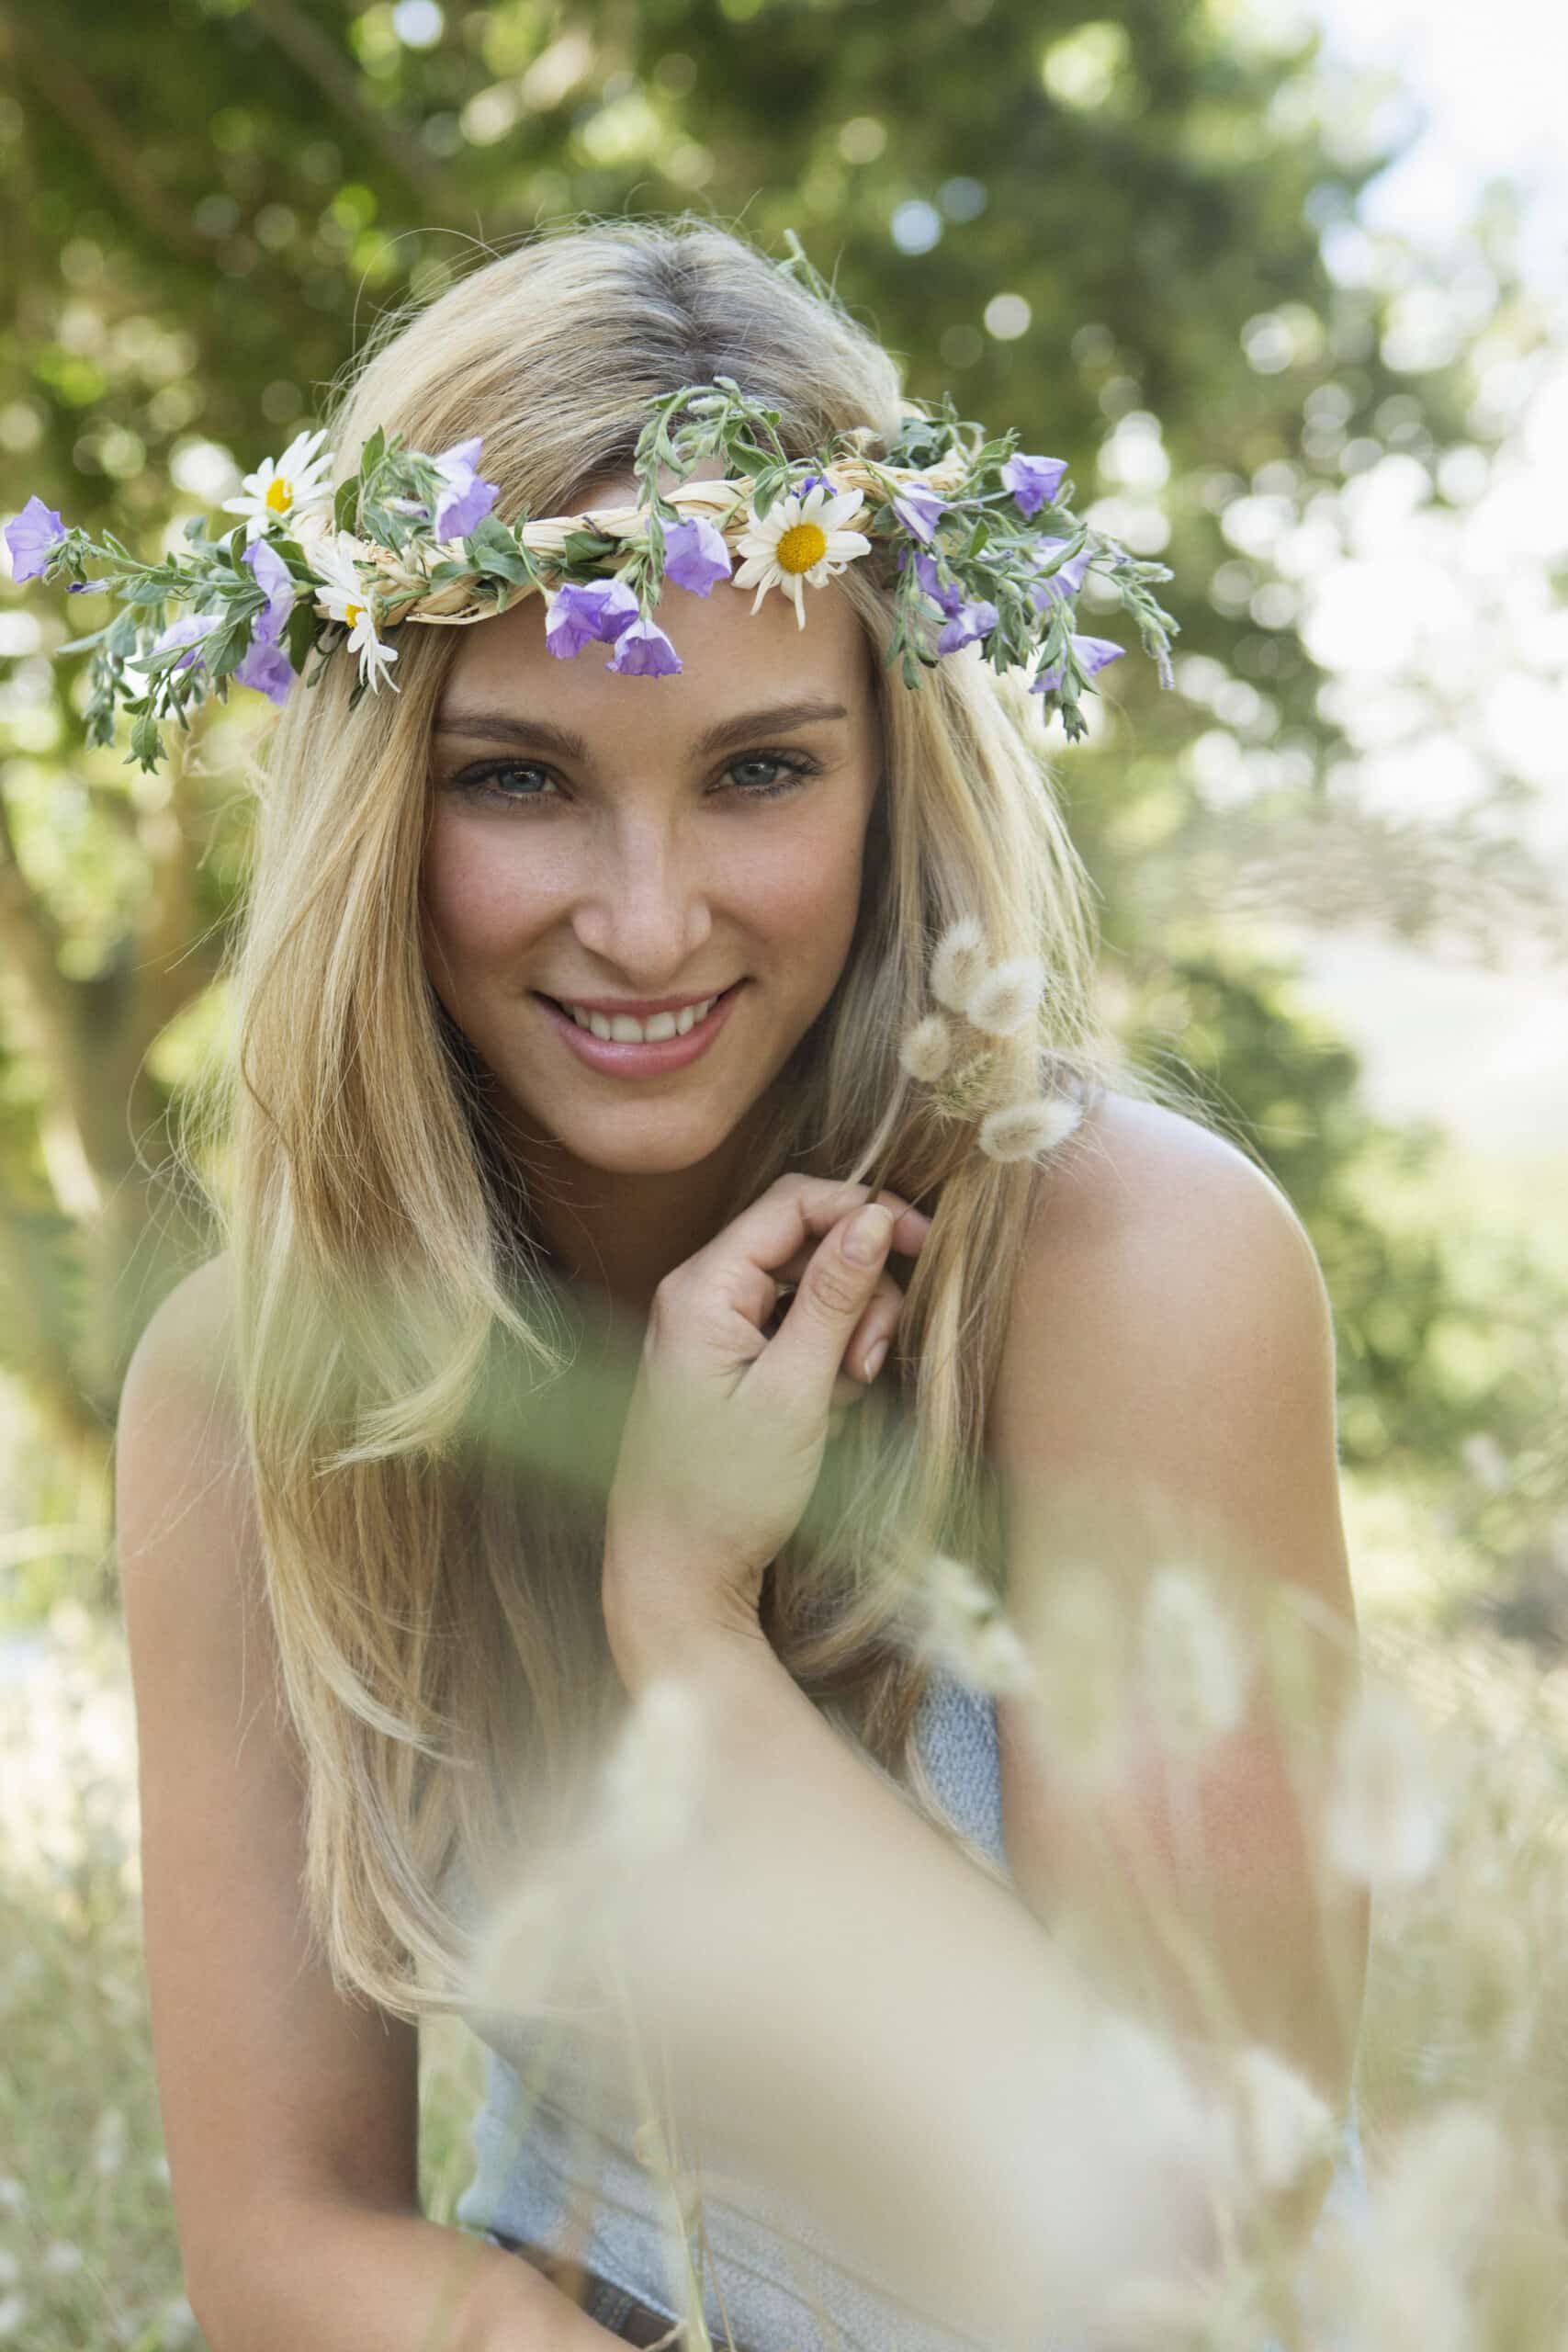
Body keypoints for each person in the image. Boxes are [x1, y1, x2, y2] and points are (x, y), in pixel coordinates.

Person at [101, 215, 1369, 2352]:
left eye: (758, 770)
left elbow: (1177, 2239)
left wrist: (686, 1636)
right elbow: (284, 2243)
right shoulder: (255, 1382)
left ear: (890, 779)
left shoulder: (1131, 1267)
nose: (647, 916)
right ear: (373, 795)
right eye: (517, 777)